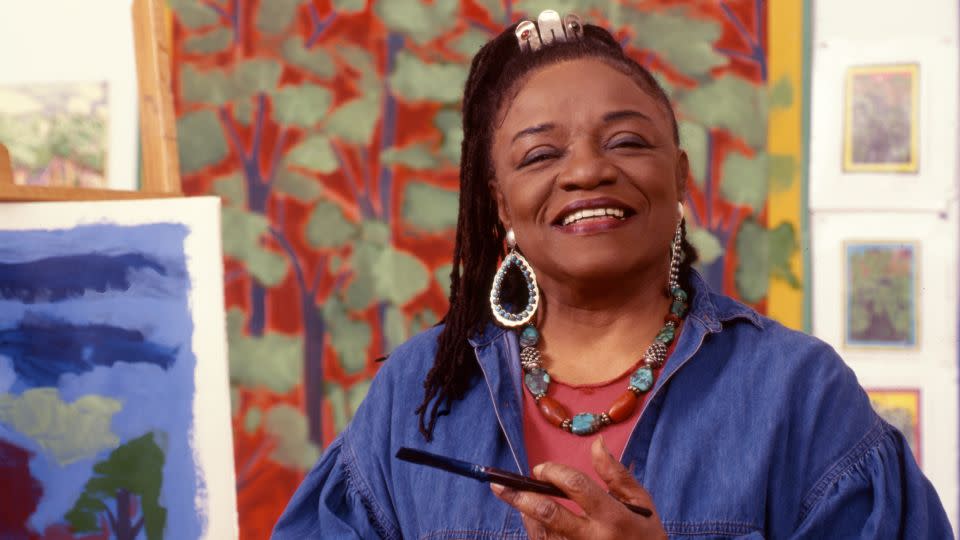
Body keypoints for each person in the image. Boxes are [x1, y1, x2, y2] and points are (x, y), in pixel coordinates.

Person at [273, 10, 951, 539]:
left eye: (627, 141)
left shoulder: (798, 392)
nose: (587, 170)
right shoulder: (415, 397)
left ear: (680, 178)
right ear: (501, 203)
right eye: (540, 154)